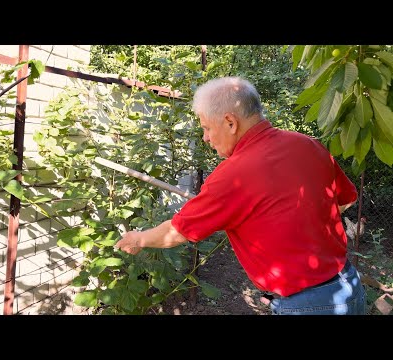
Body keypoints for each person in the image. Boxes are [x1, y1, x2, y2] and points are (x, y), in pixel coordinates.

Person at [115, 76, 366, 315]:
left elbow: (178, 231)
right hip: (349, 287)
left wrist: (138, 239)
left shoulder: (233, 174)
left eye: (206, 128)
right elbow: (346, 199)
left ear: (230, 122)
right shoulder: (308, 144)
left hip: (307, 305)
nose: (205, 138)